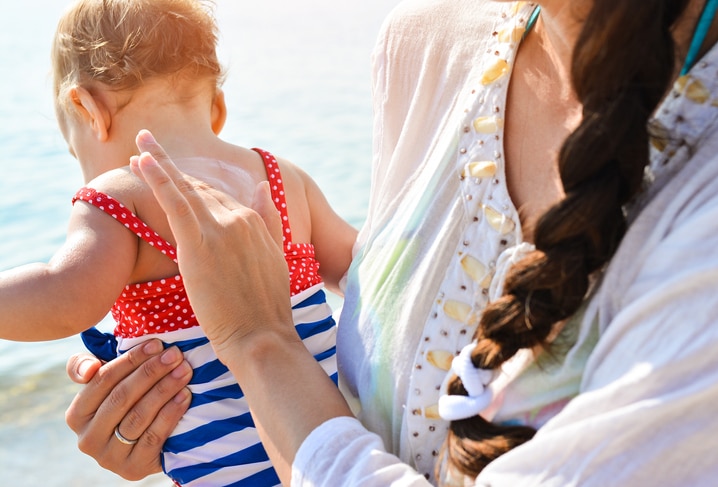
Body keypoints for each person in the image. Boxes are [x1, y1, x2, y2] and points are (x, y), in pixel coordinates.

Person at [65, 0, 718, 485]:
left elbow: (60, 294)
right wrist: (182, 410)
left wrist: (258, 346)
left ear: (86, 110)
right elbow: (360, 300)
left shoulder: (701, 213)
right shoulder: (424, 48)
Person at [0, 0, 355, 486]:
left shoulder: (119, 196)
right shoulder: (281, 178)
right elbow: (364, 267)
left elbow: (63, 298)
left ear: (89, 109)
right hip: (326, 439)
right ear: (218, 108)